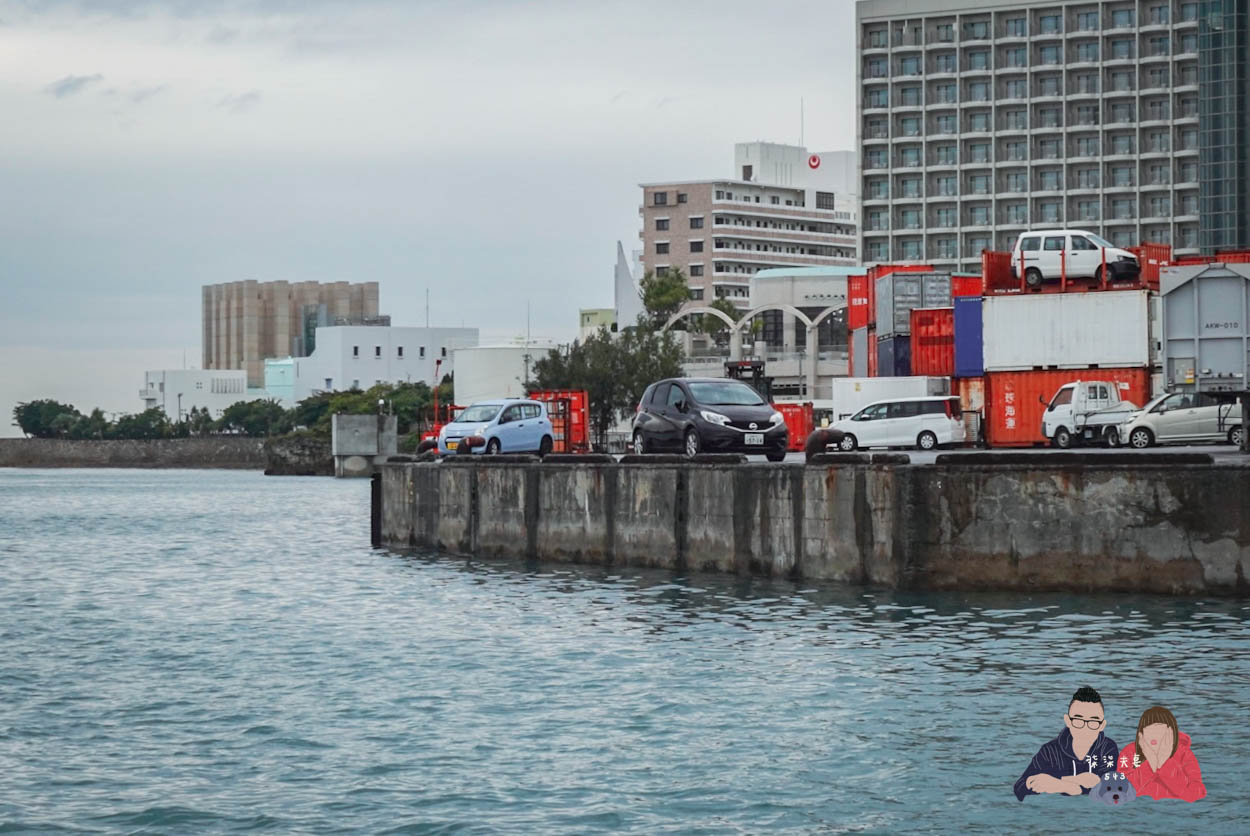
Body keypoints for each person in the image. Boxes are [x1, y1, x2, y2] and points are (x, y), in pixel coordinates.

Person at [1014, 686, 1119, 801]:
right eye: (1078, 720)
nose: (1085, 728)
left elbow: (1112, 789)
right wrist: (1069, 785)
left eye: (1093, 722)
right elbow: (1019, 788)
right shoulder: (1050, 750)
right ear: (1068, 721)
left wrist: (1060, 784)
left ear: (1102, 725)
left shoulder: (1108, 748)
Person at [1118, 706, 1205, 802]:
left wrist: (1165, 763)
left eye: (1159, 729)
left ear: (1171, 732)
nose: (1153, 735)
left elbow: (1195, 794)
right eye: (1148, 729)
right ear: (1141, 733)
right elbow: (1120, 791)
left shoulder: (1184, 754)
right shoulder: (1129, 752)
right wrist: (1150, 764)